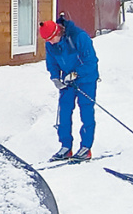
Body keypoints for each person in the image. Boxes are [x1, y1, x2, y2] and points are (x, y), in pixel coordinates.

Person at [40, 15, 100, 162]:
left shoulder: (79, 37)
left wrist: (76, 74)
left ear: (57, 33)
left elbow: (91, 61)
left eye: (51, 39)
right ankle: (66, 146)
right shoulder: (50, 45)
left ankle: (86, 147)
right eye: (47, 40)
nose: (49, 43)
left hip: (86, 79)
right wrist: (55, 77)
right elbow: (52, 62)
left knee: (86, 111)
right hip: (67, 81)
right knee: (64, 111)